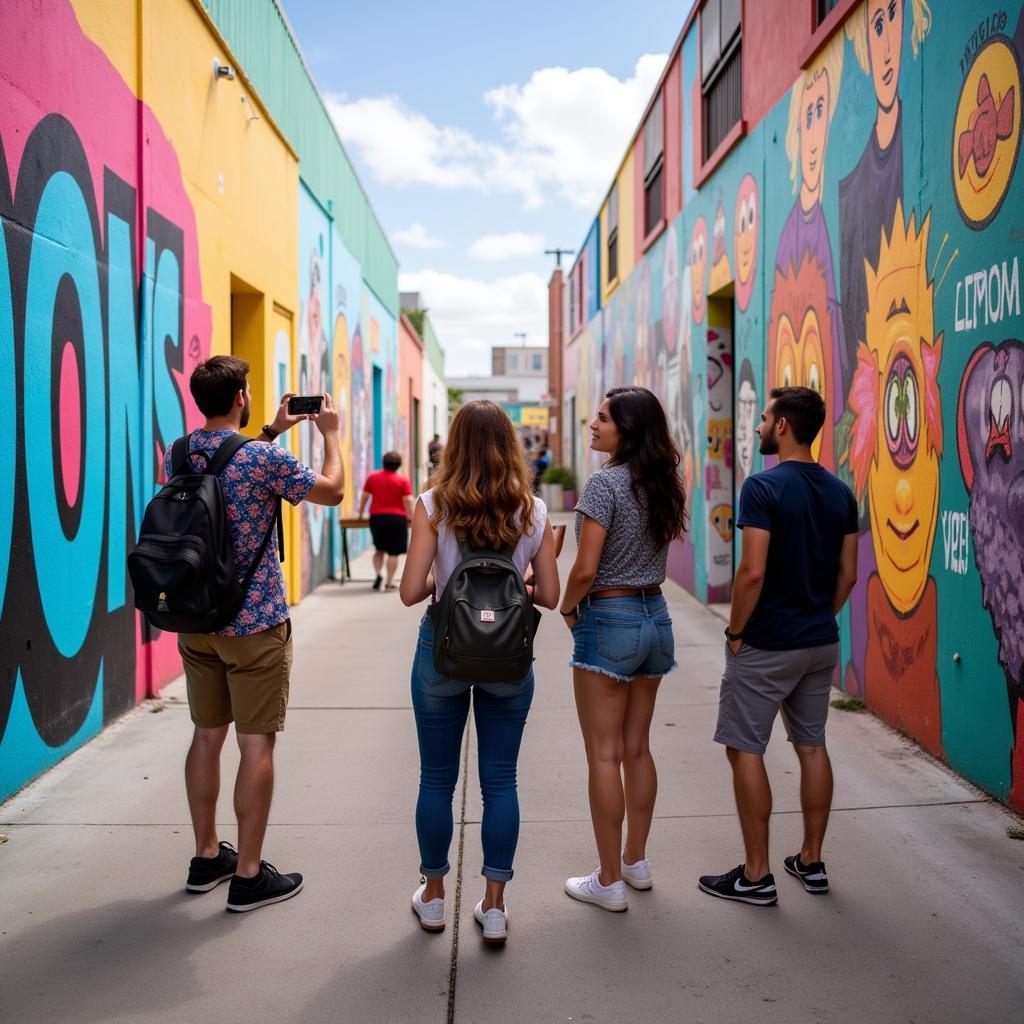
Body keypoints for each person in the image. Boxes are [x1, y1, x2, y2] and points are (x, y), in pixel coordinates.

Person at [171, 356, 344, 913]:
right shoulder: (266, 460)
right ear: (241, 396)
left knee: (205, 735)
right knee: (255, 742)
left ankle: (205, 857)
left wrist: (272, 429)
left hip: (196, 621)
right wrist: (331, 437)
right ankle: (248, 874)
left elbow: (225, 470)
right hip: (254, 623)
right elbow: (334, 492)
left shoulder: (178, 452)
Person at [400, 400, 560, 944]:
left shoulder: (432, 505)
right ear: (510, 445)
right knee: (500, 781)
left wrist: (448, 585)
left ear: (455, 444)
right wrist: (511, 588)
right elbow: (553, 597)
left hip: (442, 650)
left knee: (436, 780)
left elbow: (407, 591)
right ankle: (494, 907)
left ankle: (435, 897)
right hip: (509, 656)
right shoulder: (533, 510)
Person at [698, 387, 858, 907]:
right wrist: (818, 617)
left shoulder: (762, 487)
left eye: (764, 419)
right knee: (811, 746)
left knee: (745, 749)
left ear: (783, 425)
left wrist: (737, 631)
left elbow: (752, 571)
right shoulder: (841, 492)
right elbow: (849, 574)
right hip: (819, 643)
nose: (759, 426)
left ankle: (757, 874)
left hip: (766, 644)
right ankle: (812, 860)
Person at [560, 386, 687, 912]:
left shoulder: (602, 485)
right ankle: (635, 860)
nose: (593, 424)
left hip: (609, 618)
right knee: (637, 747)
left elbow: (586, 568)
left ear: (627, 430)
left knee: (603, 754)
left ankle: (608, 879)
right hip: (655, 617)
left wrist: (567, 609)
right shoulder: (664, 484)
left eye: (603, 418)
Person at [358, 452, 414, 590]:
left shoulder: (373, 477)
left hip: (377, 518)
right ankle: (389, 582)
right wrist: (411, 517)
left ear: (384, 462)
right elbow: (408, 500)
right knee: (393, 553)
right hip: (397, 519)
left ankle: (378, 574)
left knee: (379, 549)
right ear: (399, 465)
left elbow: (365, 496)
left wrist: (360, 513)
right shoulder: (402, 481)